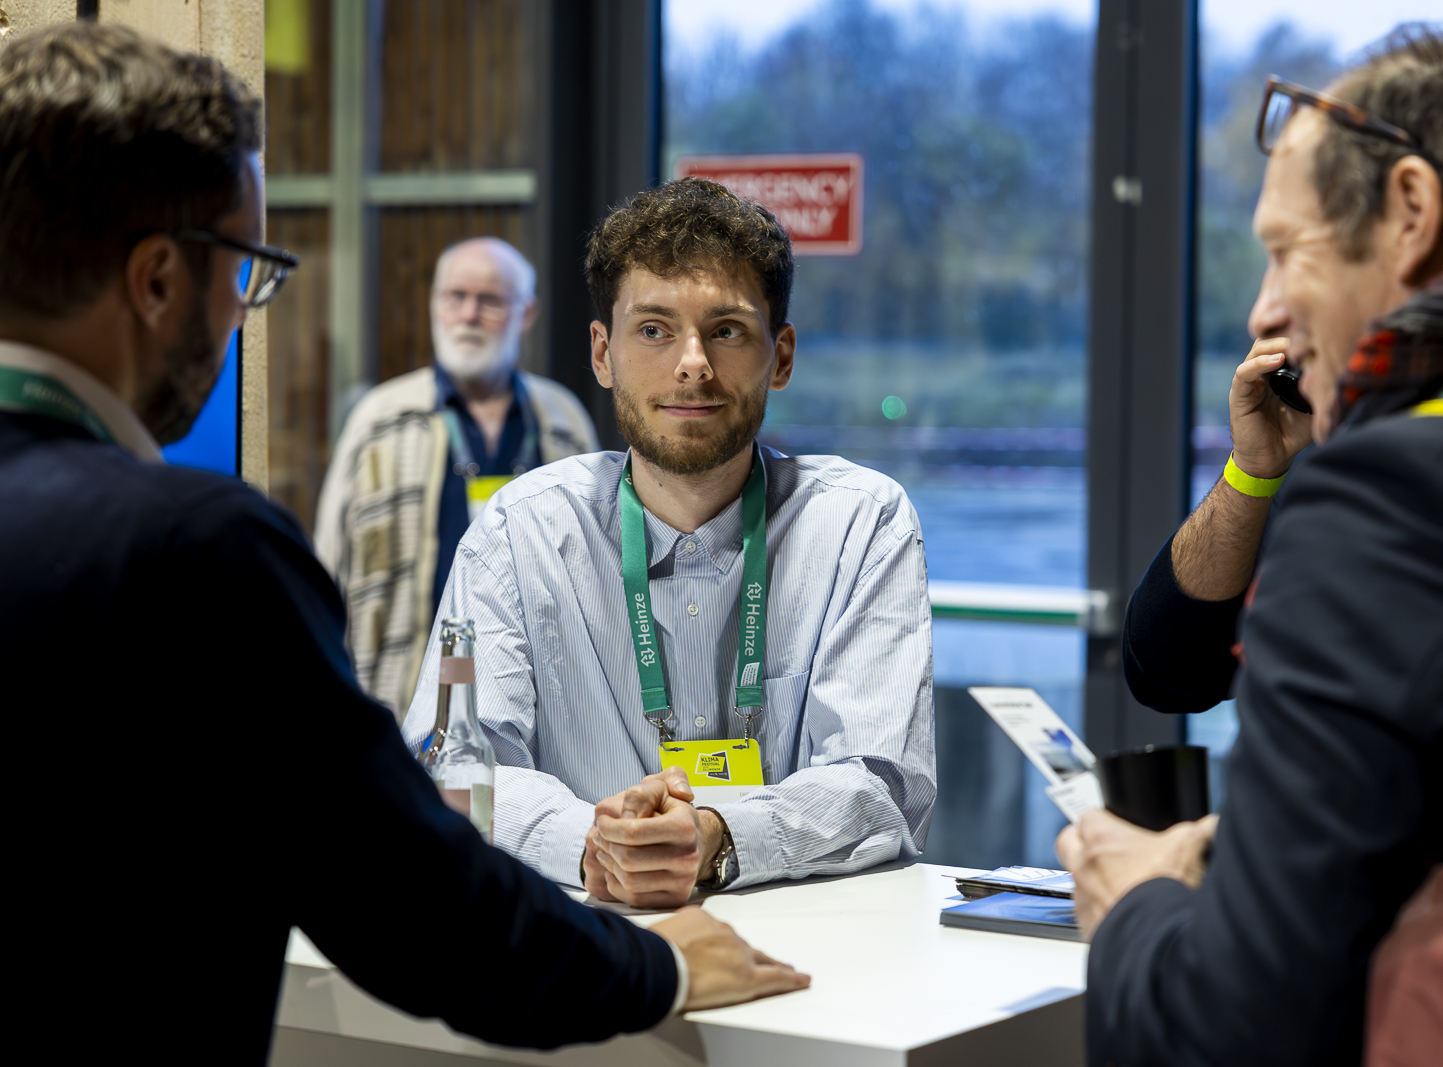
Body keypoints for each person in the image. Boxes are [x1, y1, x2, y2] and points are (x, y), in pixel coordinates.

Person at [0, 23, 805, 1062]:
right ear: (156, 281)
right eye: (244, 270)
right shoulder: (194, 551)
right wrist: (665, 965)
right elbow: (414, 908)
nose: (244, 311)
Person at [1060, 25, 1443, 1066]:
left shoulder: (1401, 488)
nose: (1264, 307)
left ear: (1408, 210)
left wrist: (1134, 910)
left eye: (1283, 249)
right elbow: (1167, 659)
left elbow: (1231, 1032)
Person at [402, 177, 937, 908]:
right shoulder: (515, 532)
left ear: (780, 355)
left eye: (726, 330)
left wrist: (719, 832)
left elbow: (882, 782)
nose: (692, 363)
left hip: (811, 966)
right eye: (654, 329)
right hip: (575, 949)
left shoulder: (860, 526)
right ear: (602, 353)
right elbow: (451, 772)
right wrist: (592, 842)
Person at [315, 238, 598, 716]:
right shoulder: (379, 418)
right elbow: (329, 565)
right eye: (455, 297)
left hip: (537, 700)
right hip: (397, 696)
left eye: (489, 301)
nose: (469, 315)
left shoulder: (562, 419)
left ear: (525, 314)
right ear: (434, 305)